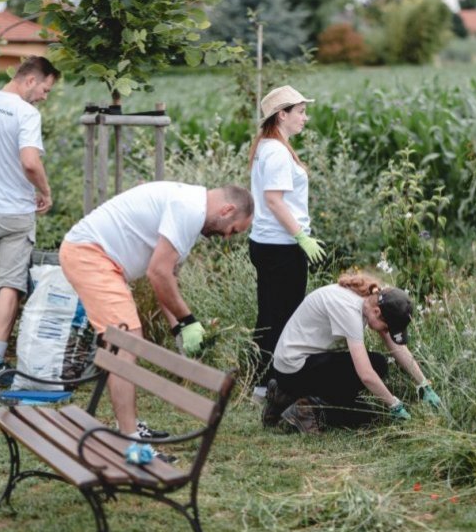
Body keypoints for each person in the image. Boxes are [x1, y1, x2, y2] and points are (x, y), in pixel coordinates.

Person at [59, 181, 253, 441]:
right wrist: (189, 319)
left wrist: (179, 330)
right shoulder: (189, 208)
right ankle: (129, 438)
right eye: (233, 230)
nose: (227, 237)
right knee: (126, 343)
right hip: (90, 254)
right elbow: (157, 272)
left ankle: (128, 427)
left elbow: (166, 279)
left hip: (97, 257)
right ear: (227, 210)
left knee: (122, 343)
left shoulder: (191, 211)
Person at [0, 55, 60, 386]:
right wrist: (46, 192)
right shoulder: (25, 113)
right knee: (10, 284)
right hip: (14, 212)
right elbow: (30, 162)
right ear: (31, 80)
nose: (44, 97)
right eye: (45, 89)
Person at [262, 272, 441, 433]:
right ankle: (308, 408)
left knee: (377, 366)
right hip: (293, 369)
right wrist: (394, 405)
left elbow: (397, 347)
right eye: (387, 328)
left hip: (297, 363)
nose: (386, 332)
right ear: (377, 312)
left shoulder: (370, 299)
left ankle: (283, 394)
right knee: (367, 411)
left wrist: (424, 384)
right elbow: (366, 374)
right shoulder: (349, 310)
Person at [247, 85, 326, 401]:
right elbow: (275, 201)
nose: (305, 118)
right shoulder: (277, 152)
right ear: (282, 114)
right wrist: (302, 237)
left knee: (268, 314)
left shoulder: (268, 146)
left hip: (266, 243)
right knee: (285, 317)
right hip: (281, 246)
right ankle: (276, 387)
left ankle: (261, 383)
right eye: (301, 111)